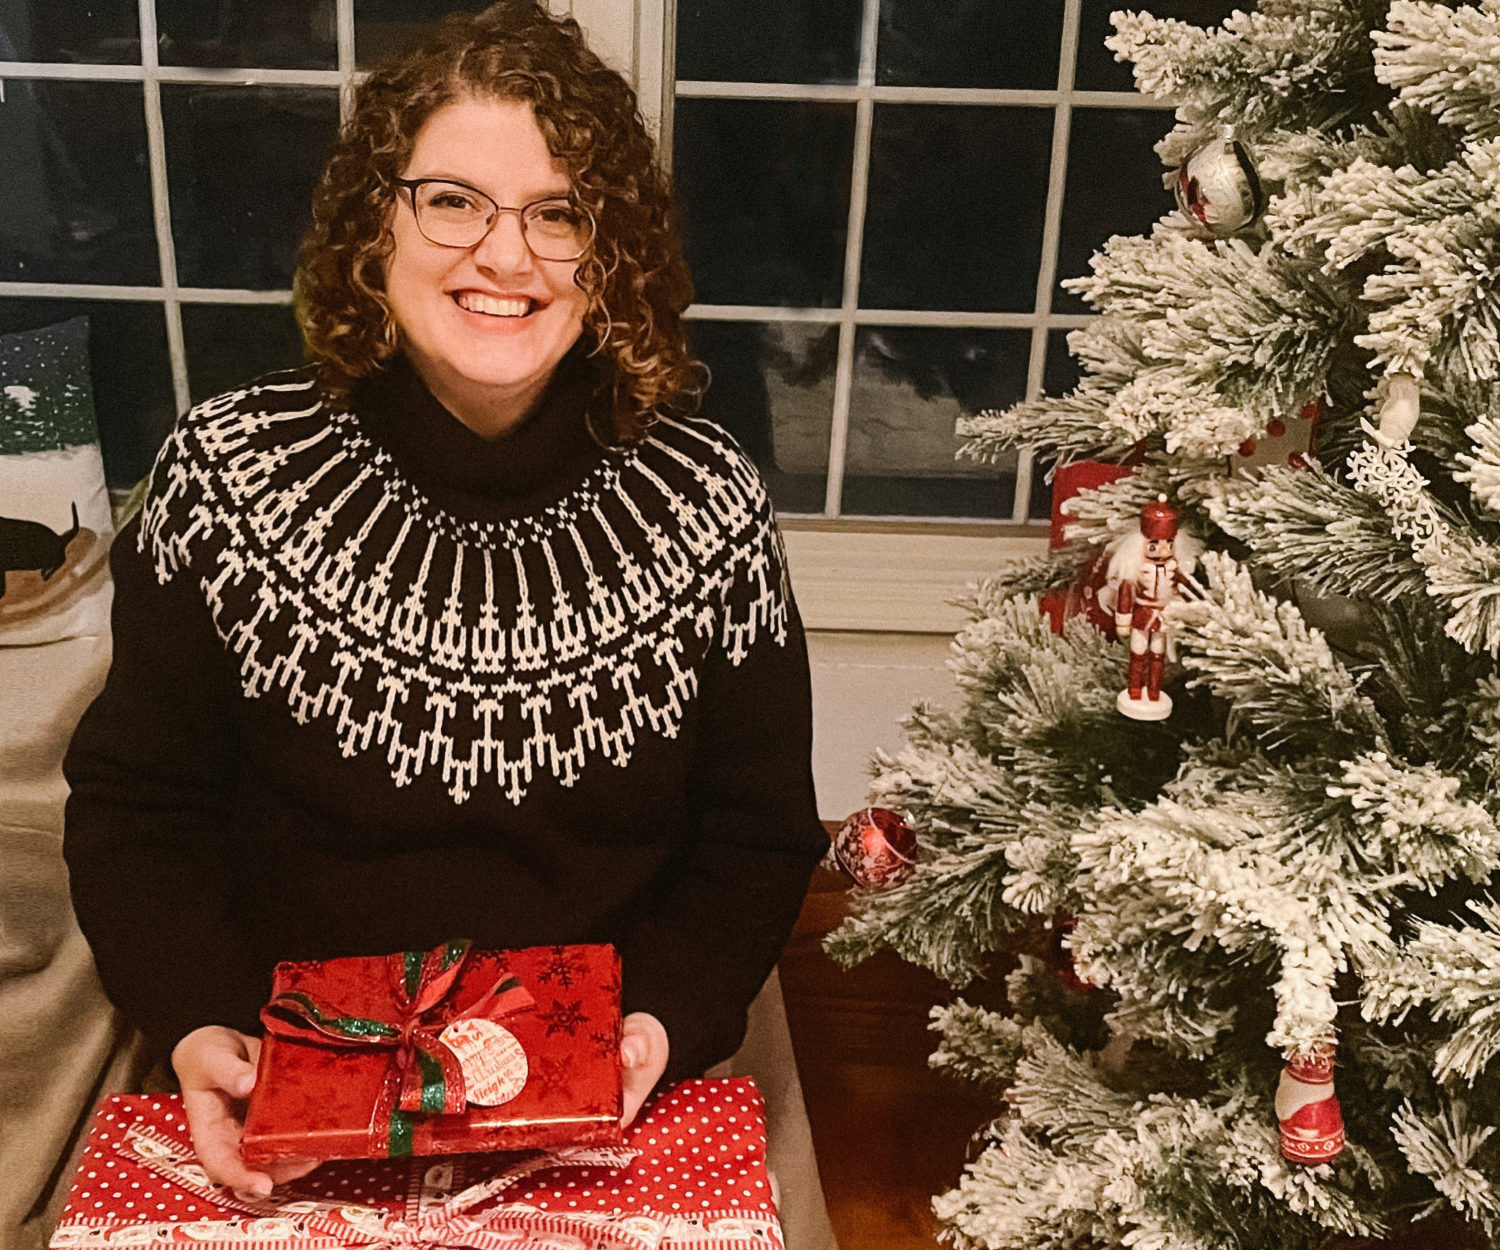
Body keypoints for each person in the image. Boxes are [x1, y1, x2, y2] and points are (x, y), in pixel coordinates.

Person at [63, 0, 827, 1202]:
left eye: (558, 213)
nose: (506, 257)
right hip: (291, 1092)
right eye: (454, 200)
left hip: (608, 1097)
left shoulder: (707, 503)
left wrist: (663, 1022)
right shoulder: (226, 475)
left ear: (608, 253)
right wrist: (201, 1023)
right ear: (375, 223)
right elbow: (139, 809)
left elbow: (757, 836)